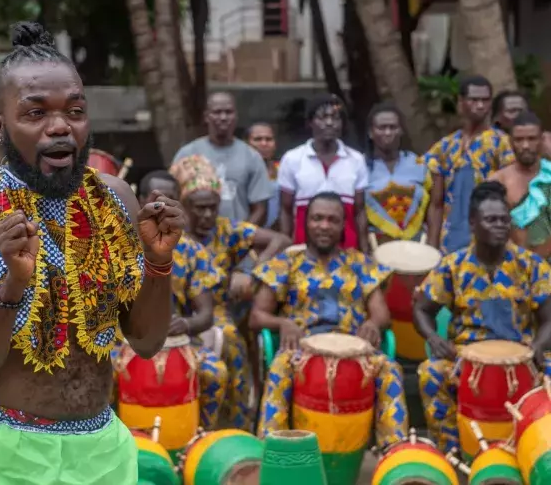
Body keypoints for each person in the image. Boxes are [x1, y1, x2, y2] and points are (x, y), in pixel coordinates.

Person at [0, 22, 183, 484]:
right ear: (0, 127)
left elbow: (146, 342)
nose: (60, 127)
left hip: (99, 452)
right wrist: (14, 288)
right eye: (35, 113)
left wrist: (158, 263)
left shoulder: (118, 199)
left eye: (75, 111)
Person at [413, 181, 551, 454]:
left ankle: (541, 450)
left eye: (505, 220)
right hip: (464, 360)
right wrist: (433, 338)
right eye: (491, 220)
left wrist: (539, 347)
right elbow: (422, 309)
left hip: (523, 357)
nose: (500, 225)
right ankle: (452, 451)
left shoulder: (530, 265)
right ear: (473, 223)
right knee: (429, 374)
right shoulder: (453, 266)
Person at [250, 192, 409, 447]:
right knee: (280, 367)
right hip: (302, 350)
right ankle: (273, 453)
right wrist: (283, 324)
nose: (324, 225)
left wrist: (372, 323)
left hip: (354, 351)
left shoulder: (360, 263)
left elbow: (381, 313)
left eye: (332, 220)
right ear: (306, 222)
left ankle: (394, 452)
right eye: (317, 218)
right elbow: (256, 316)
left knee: (391, 369)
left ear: (342, 225)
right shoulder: (286, 263)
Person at [170, 154, 291, 431]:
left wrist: (252, 272)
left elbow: (281, 240)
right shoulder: (172, 234)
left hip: (217, 311)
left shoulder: (226, 231)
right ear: (183, 205)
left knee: (231, 338)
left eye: (213, 207)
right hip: (175, 312)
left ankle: (238, 423)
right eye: (198, 208)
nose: (207, 215)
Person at [109, 170, 229, 430]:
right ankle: (111, 439)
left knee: (216, 373)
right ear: (140, 200)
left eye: (171, 199)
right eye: (155, 200)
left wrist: (185, 324)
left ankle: (200, 438)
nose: (162, 207)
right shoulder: (115, 244)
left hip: (181, 344)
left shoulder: (192, 250)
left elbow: (205, 314)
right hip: (120, 344)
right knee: (100, 377)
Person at [489, 111, 551, 284]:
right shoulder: (497, 182)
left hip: (549, 269)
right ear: (510, 141)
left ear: (542, 140)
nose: (525, 145)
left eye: (532, 139)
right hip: (509, 270)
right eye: (519, 140)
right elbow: (487, 230)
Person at [425, 75, 516, 254]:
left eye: (485, 100)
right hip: (449, 242)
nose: (480, 105)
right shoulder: (444, 147)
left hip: (488, 242)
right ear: (461, 101)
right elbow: (436, 203)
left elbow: (511, 199)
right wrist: (432, 248)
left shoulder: (502, 143)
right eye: (474, 100)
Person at [278, 94, 370, 251]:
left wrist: (365, 250)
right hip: (303, 248)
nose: (329, 123)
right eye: (322, 117)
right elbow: (286, 210)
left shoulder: (356, 160)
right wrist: (284, 250)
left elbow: (359, 211)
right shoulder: (292, 159)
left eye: (336, 118)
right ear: (310, 123)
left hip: (347, 249)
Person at [173, 91, 272, 226]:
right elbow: (174, 201)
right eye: (217, 112)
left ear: (236, 116)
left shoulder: (252, 157)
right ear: (206, 117)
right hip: (195, 241)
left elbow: (260, 209)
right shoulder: (188, 154)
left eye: (228, 112)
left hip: (237, 241)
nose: (223, 117)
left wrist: (238, 237)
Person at [364, 103, 432, 242]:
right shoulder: (359, 166)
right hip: (375, 244)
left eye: (393, 127)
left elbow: (433, 206)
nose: (388, 133)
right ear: (371, 132)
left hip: (416, 243)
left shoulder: (417, 164)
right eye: (382, 128)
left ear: (401, 130)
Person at [246, 122, 281, 229]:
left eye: (269, 139)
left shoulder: (282, 169)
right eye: (258, 139)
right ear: (246, 143)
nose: (264, 143)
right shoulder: (240, 171)